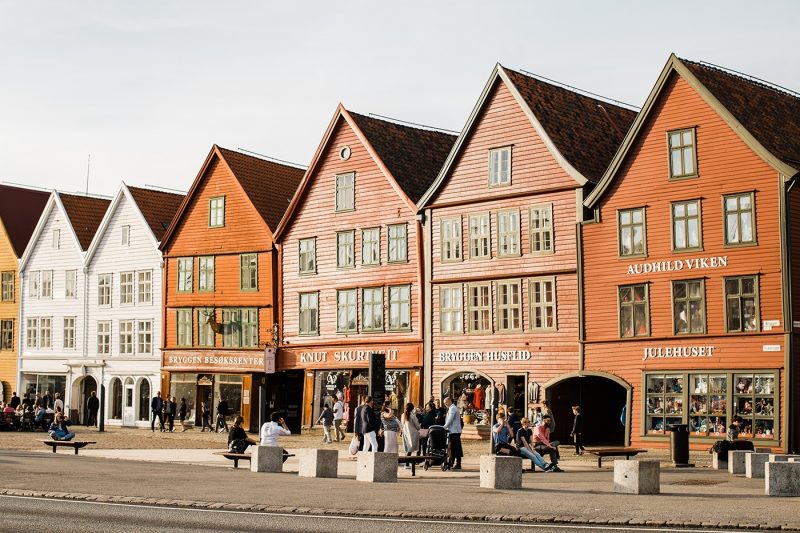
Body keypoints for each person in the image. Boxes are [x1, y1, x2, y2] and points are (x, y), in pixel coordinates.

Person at [443, 395, 463, 470]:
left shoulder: (453, 409)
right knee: (453, 447)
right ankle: (452, 462)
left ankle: (458, 463)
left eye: (446, 402)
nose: (445, 404)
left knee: (456, 447)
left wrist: (444, 427)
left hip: (454, 431)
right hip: (453, 430)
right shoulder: (451, 408)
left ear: (449, 401)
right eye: (444, 403)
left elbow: (450, 419)